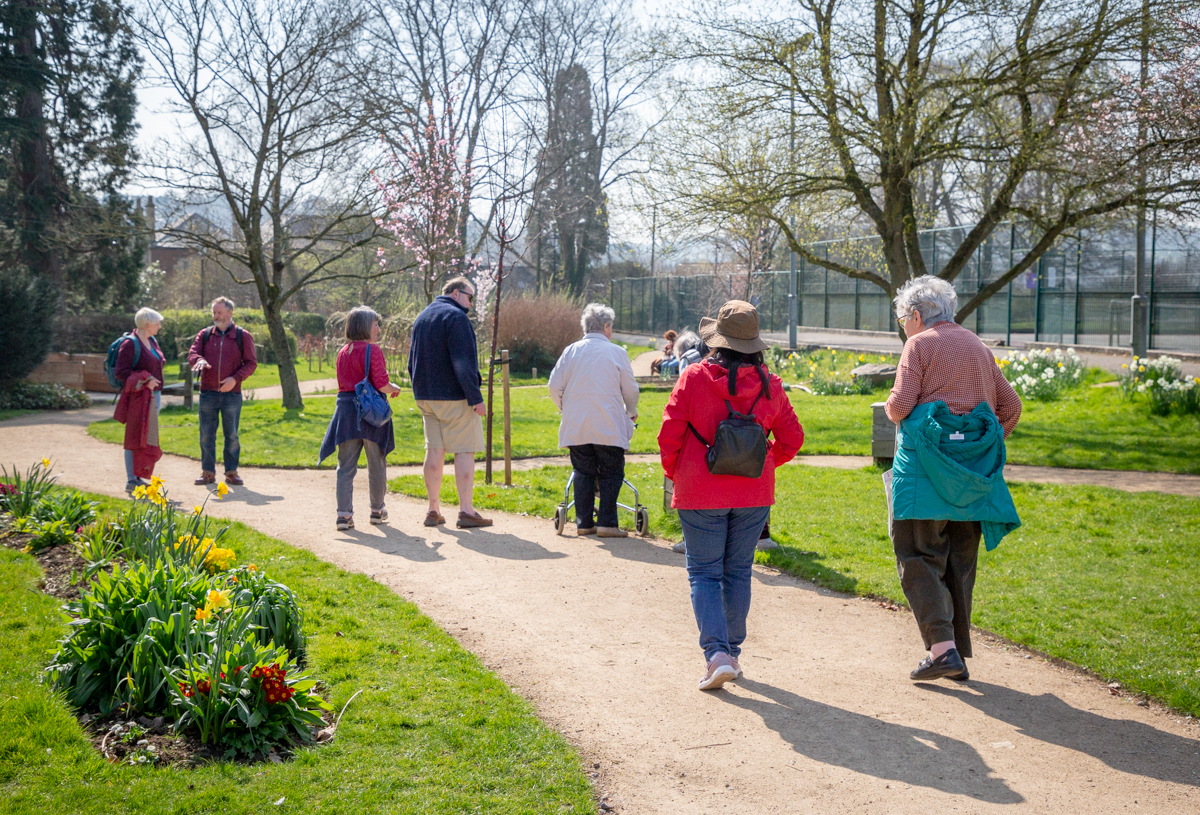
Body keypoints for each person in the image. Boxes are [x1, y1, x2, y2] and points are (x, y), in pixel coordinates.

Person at [658, 300, 804, 690]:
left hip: (700, 492)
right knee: (738, 572)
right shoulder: (771, 385)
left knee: (704, 573)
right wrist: (764, 464)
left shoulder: (693, 378)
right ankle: (732, 653)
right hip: (753, 494)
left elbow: (669, 435)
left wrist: (677, 474)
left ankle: (716, 654)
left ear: (716, 341)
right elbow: (793, 438)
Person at [884, 275, 1023, 683]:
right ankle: (954, 652)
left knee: (916, 554)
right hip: (972, 477)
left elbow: (900, 406)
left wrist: (894, 405)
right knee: (960, 562)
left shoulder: (920, 343)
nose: (902, 328)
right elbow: (1010, 407)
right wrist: (976, 445)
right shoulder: (976, 346)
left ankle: (942, 651)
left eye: (902, 320)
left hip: (925, 475)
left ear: (916, 314)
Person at [548, 303, 640, 537]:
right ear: (607, 326)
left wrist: (564, 407)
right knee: (611, 471)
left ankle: (584, 522)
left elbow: (553, 386)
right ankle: (608, 522)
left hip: (576, 423)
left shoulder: (571, 350)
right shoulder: (617, 352)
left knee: (583, 471)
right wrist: (631, 411)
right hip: (608, 422)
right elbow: (630, 389)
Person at [407, 276, 492, 529]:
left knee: (434, 451)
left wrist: (418, 389)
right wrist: (476, 398)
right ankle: (466, 510)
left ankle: (433, 510)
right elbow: (463, 362)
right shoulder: (456, 318)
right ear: (455, 293)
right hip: (454, 396)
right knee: (464, 450)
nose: (471, 303)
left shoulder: (422, 317)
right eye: (470, 296)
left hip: (425, 396)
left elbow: (412, 361)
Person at [318, 306, 402, 531]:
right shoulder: (372, 350)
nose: (378, 328)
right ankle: (376, 510)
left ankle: (343, 515)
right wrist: (395, 387)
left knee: (345, 467)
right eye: (375, 324)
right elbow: (381, 383)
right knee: (376, 463)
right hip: (370, 413)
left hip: (345, 413)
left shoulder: (343, 351)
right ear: (365, 326)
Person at [187, 297, 257, 487]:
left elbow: (251, 363)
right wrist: (198, 360)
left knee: (231, 435)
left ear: (229, 313)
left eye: (219, 312)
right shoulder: (205, 334)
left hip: (232, 394)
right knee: (206, 435)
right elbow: (193, 353)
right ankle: (208, 473)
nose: (215, 316)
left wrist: (235, 378)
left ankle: (231, 472)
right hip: (208, 393)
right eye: (214, 312)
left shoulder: (243, 336)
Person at [113, 308, 166, 491]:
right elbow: (121, 372)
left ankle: (139, 475)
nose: (159, 326)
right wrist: (146, 379)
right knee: (134, 435)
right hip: (137, 396)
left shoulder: (152, 340)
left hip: (153, 396)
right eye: (157, 323)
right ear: (147, 324)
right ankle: (131, 479)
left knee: (146, 434)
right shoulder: (130, 344)